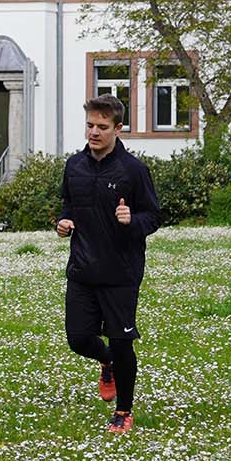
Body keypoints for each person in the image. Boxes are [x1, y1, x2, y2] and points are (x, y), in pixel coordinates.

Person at [54, 95, 161, 435]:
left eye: (102, 127)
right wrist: (63, 222)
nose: (94, 133)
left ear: (118, 128)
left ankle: (124, 411)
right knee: (78, 339)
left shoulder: (133, 170)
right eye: (90, 126)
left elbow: (154, 216)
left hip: (121, 272)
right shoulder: (74, 166)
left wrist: (133, 220)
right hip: (82, 269)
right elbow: (68, 205)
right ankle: (107, 363)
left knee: (120, 341)